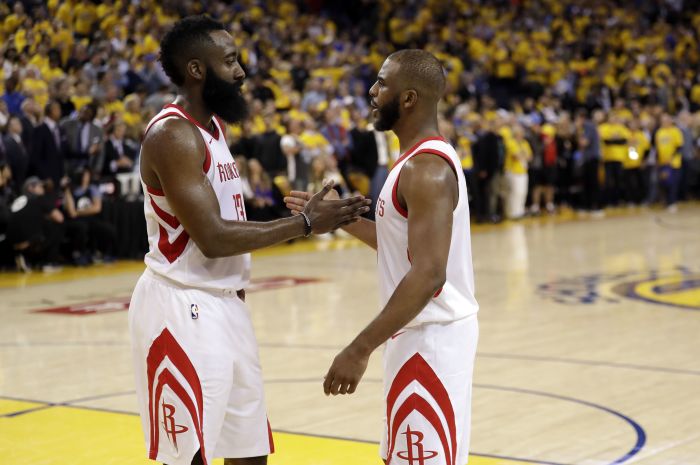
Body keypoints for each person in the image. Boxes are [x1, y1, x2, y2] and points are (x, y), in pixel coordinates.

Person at [128, 15, 370, 465]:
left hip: (228, 306)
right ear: (198, 70)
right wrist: (305, 225)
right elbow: (214, 238)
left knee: (249, 454)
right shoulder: (173, 134)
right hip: (182, 309)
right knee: (189, 457)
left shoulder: (215, 128)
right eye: (230, 61)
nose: (242, 71)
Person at [286, 49, 479, 465]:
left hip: (432, 337)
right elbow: (403, 248)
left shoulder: (425, 168)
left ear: (408, 98)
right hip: (418, 334)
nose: (372, 92)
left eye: (381, 83)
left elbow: (429, 274)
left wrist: (359, 348)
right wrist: (339, 219)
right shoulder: (415, 161)